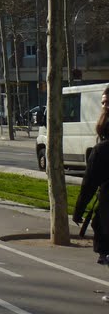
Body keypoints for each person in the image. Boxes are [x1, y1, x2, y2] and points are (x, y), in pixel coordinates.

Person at [74, 86, 109, 266]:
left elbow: (89, 184)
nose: (103, 107)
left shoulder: (102, 150)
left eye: (105, 104)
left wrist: (79, 210)